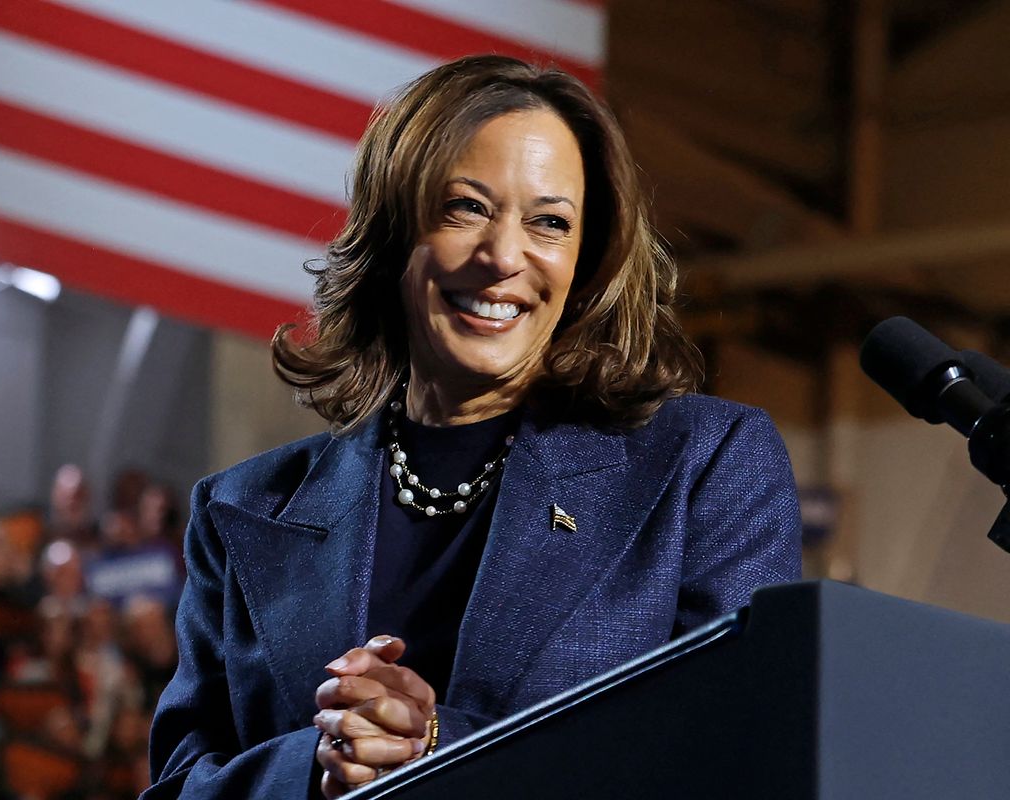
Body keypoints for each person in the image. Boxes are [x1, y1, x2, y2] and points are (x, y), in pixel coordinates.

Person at [145, 55, 801, 800]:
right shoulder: (242, 510)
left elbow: (732, 758)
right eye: (465, 208)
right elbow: (178, 788)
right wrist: (319, 763)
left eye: (549, 223)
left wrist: (432, 747)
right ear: (394, 232)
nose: (503, 257)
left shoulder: (702, 465)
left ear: (586, 261)